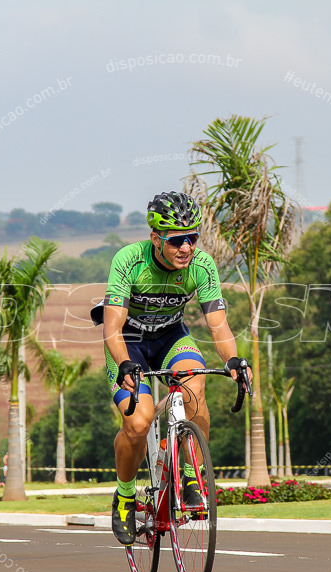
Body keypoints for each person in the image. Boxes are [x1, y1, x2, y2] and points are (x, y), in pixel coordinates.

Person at [97, 190, 251, 545]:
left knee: (195, 383)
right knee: (138, 422)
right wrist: (124, 365)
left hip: (171, 338)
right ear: (155, 238)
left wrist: (232, 358)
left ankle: (192, 475)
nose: (187, 247)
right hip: (129, 343)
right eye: (177, 240)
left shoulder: (202, 265)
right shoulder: (129, 260)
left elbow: (218, 324)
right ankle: (124, 496)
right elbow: (112, 328)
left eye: (193, 238)